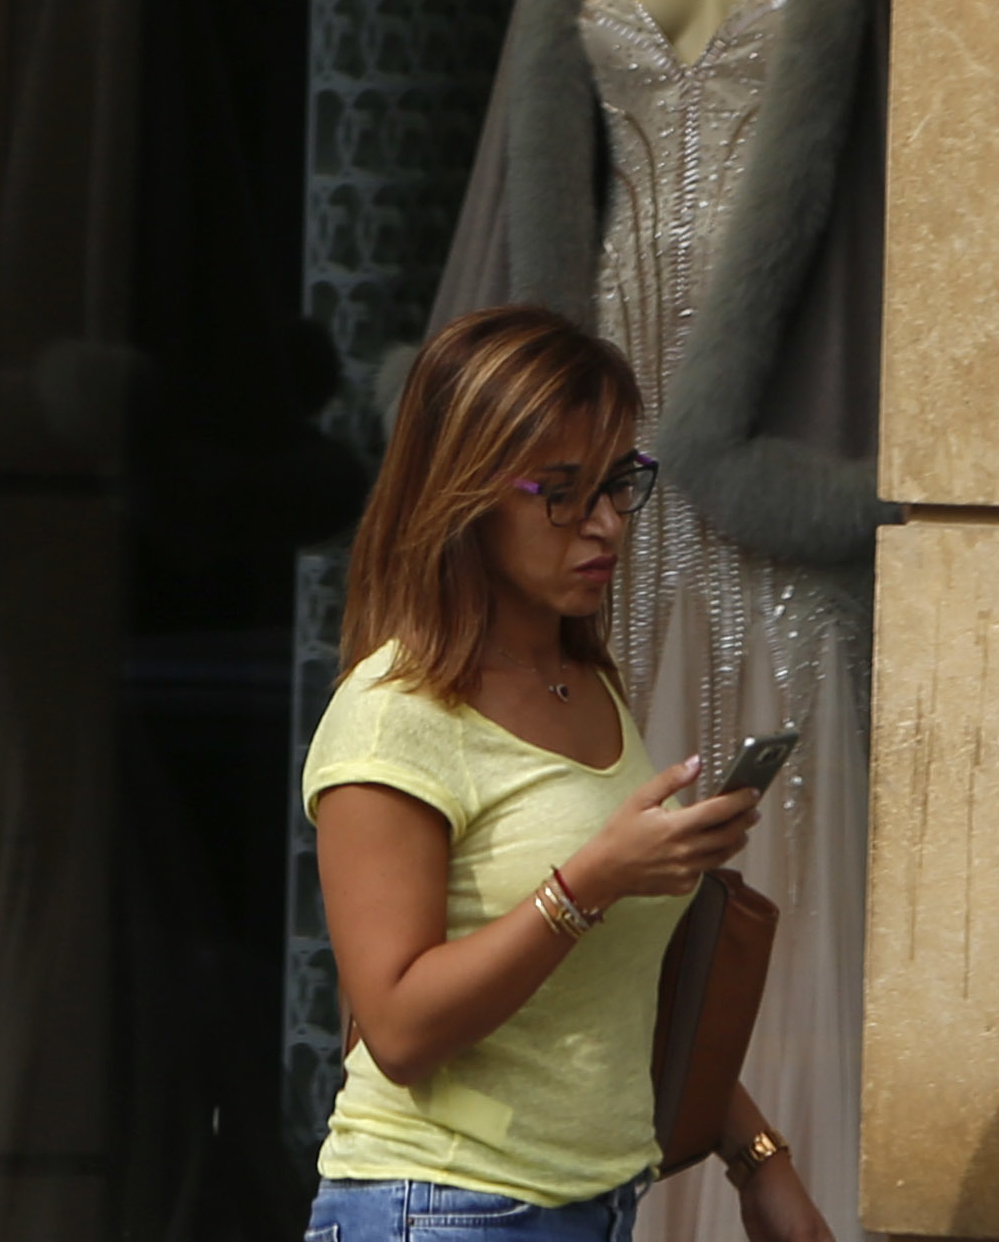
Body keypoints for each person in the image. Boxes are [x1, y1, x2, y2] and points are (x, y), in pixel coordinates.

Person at [424, 0, 895, 1242]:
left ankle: (778, 1197)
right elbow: (523, 182)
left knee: (769, 854)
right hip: (600, 414)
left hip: (764, 428)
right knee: (589, 825)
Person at [305, 303, 829, 1242]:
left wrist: (758, 1159)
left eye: (619, 482)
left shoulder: (581, 680)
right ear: (462, 493)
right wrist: (591, 879)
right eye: (559, 490)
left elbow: (611, 987)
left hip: (597, 1206)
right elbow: (398, 1028)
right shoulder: (395, 714)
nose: (604, 524)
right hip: (436, 1208)